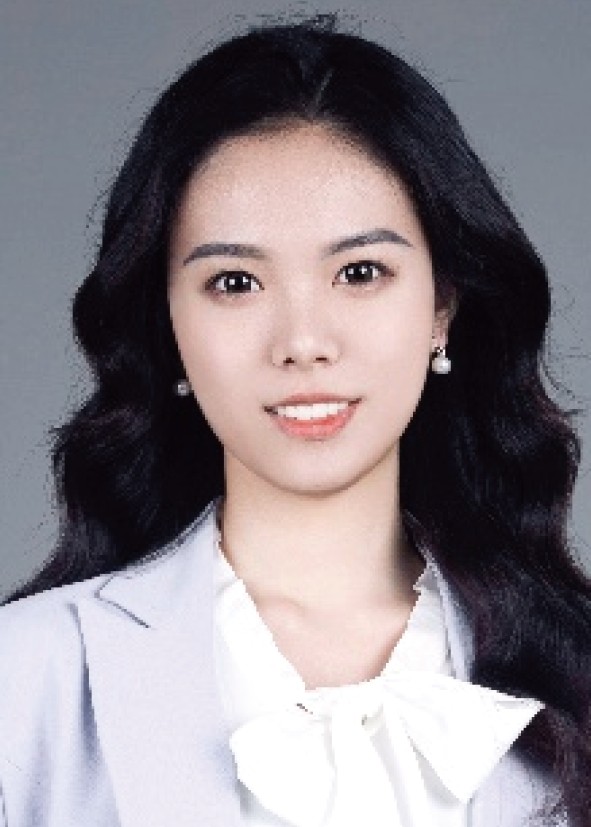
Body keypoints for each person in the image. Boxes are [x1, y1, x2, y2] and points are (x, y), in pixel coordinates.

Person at [0, 13, 589, 827]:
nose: (303, 341)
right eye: (234, 283)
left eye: (360, 271)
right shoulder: (26, 676)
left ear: (441, 307)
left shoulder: (576, 666)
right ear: (166, 323)